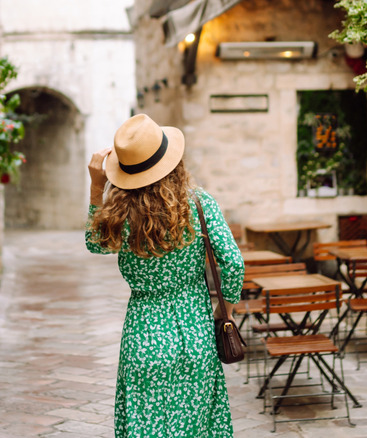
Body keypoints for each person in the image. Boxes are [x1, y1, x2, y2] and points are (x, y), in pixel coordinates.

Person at [85, 114, 244, 438]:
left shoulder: (119, 214)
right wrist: (223, 311)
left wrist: (96, 186)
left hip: (143, 335)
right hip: (195, 331)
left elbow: (95, 245)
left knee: (145, 427)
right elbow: (233, 264)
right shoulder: (198, 204)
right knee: (197, 427)